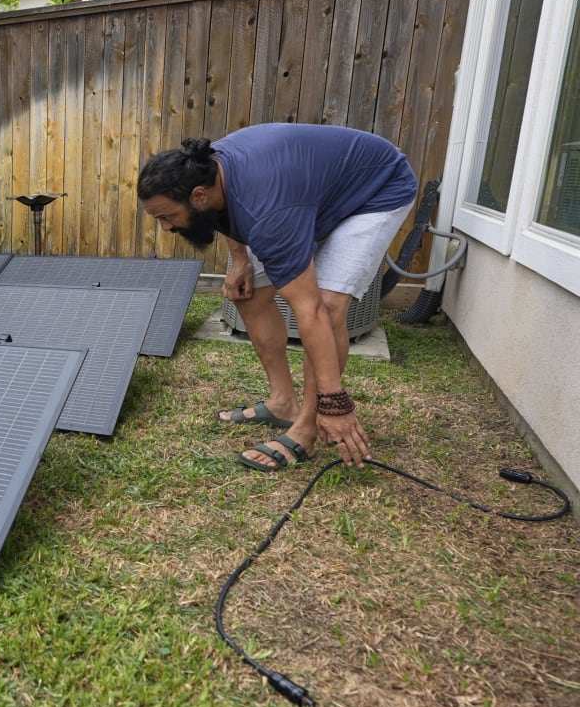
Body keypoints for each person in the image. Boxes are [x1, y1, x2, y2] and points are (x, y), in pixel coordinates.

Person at [137, 123, 417, 471]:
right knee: (248, 291)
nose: (165, 227)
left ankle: (307, 429)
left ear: (197, 196)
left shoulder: (267, 213)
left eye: (166, 216)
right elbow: (222, 215)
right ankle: (284, 403)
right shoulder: (208, 168)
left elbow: (310, 310)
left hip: (375, 189)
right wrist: (240, 259)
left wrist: (335, 401)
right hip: (304, 192)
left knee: (329, 308)